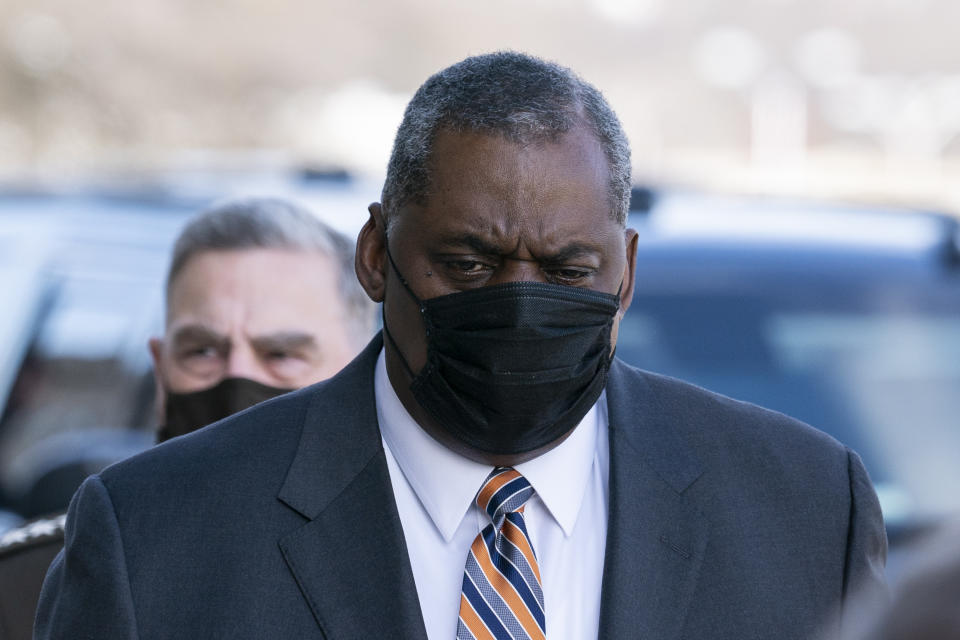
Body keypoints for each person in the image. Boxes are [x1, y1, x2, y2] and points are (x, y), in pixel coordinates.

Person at [35, 52, 886, 639]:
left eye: (565, 269)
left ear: (625, 273)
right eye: (468, 263)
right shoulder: (156, 535)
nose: (519, 302)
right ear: (376, 256)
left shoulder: (807, 513)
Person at [0, 197, 373, 640]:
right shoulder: (29, 589)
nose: (238, 378)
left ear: (362, 372)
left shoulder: (428, 572)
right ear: (160, 372)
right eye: (202, 351)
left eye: (281, 354)